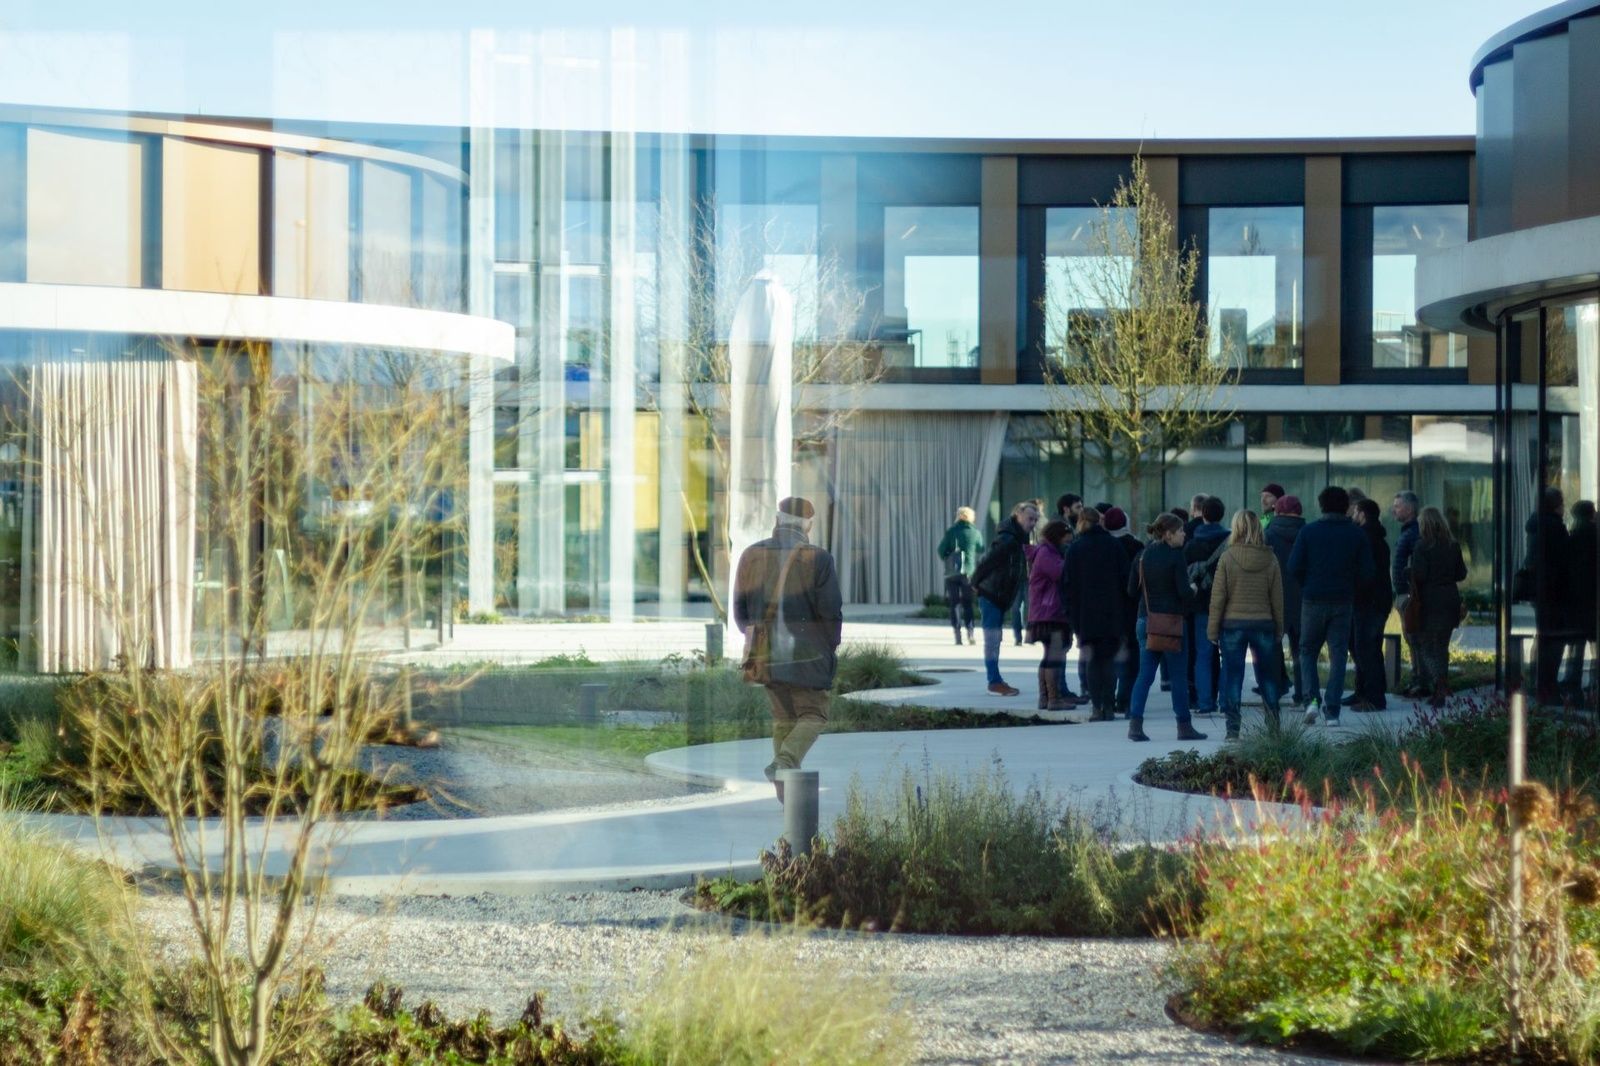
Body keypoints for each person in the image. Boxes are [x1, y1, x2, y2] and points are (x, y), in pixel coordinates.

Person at [733, 496, 843, 803]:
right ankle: (783, 764)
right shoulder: (818, 558)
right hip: (808, 653)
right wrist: (829, 647)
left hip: (767, 654)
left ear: (777, 520)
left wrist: (759, 638)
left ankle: (788, 799)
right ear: (809, 526)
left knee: (783, 719)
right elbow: (831, 611)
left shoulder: (751, 554)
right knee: (814, 714)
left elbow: (740, 612)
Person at [1288, 486, 1374, 727]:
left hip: (1313, 599)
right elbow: (1368, 572)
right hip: (1343, 601)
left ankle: (1311, 700)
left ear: (1321, 505)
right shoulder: (1356, 534)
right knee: (1338, 654)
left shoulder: (1309, 531)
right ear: (1346, 506)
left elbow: (1293, 566)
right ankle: (1333, 711)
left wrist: (1308, 584)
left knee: (1307, 651)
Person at [1125, 513, 1208, 743]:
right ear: (1169, 534)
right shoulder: (1176, 556)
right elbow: (1183, 592)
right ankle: (1184, 726)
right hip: (1171, 623)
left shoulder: (1142, 555)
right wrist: (1193, 588)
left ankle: (1135, 725)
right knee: (1178, 677)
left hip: (1146, 620)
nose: (1184, 534)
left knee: (1144, 675)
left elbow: (1131, 590)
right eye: (1180, 531)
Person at [1208, 510, 1283, 739]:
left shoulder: (1227, 557)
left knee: (1233, 677)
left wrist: (1213, 629)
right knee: (1268, 678)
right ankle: (1274, 728)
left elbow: (1218, 597)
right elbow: (1277, 598)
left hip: (1232, 625)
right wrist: (1279, 628)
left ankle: (1232, 730)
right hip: (1263, 624)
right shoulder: (1270, 558)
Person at [1066, 507, 1131, 721]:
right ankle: (1109, 706)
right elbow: (1126, 580)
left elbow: (1068, 586)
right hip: (1113, 612)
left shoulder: (1075, 548)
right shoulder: (1114, 545)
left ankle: (1096, 706)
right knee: (1109, 660)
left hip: (1085, 614)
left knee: (1092, 661)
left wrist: (1072, 616)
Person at [971, 500, 1040, 696]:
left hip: (999, 595)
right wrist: (975, 582)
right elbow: (988, 561)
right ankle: (994, 682)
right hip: (992, 593)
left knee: (996, 638)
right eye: (1029, 519)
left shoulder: (1020, 538)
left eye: (1035, 520)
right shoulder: (1008, 539)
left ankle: (996, 680)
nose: (1033, 523)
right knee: (993, 639)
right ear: (1018, 515)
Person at [1407, 506, 1468, 708]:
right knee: (1442, 646)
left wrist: (1410, 571)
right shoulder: (1453, 545)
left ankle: (1439, 685)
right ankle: (1441, 686)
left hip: (1429, 601)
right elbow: (1461, 574)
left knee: (1424, 645)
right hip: (1450, 599)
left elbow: (1420, 575)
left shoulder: (1421, 546)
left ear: (1424, 524)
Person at [1024, 519, 1079, 714]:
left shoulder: (1046, 552)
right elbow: (1060, 573)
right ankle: (1053, 698)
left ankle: (1045, 697)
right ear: (1057, 537)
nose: (1068, 544)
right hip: (1050, 613)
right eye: (1066, 540)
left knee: (1049, 655)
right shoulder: (1047, 554)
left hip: (1045, 612)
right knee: (1054, 655)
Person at [1184, 495, 1230, 718]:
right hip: (1227, 605)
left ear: (1202, 514)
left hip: (1201, 605)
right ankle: (1226, 702)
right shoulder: (1229, 542)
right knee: (1228, 654)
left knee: (1202, 655)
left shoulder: (1192, 544)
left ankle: (1205, 703)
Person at [1526, 486, 1572, 704]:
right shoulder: (1554, 527)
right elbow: (1563, 560)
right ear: (1556, 505)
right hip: (1554, 592)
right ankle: (1548, 686)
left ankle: (1538, 682)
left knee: (1544, 636)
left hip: (1540, 591)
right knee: (1554, 639)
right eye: (1562, 502)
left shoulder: (1536, 526)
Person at [1351, 497, 1393, 711]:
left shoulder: (1364, 538)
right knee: (1371, 648)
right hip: (1379, 599)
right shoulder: (1379, 538)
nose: (1353, 515)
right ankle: (1364, 693)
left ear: (1362, 514)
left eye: (1355, 512)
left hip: (1368, 601)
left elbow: (1364, 573)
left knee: (1366, 649)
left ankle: (1373, 698)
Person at [1265, 495, 1308, 706]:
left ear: (1278, 511)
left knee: (1273, 649)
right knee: (1302, 650)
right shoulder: (1308, 532)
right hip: (1303, 599)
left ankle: (1273, 693)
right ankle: (1302, 694)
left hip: (1275, 598)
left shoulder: (1268, 534)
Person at [1105, 506, 1144, 715]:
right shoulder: (1136, 546)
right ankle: (1125, 698)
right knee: (1132, 654)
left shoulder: (1104, 546)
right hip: (1131, 607)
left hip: (1108, 608)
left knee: (1112, 654)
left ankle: (1109, 698)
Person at [1563, 500, 1598, 701]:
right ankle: (1594, 684)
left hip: (1576, 598)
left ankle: (1572, 683)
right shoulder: (1594, 535)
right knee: (1595, 644)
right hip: (1593, 598)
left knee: (1576, 644)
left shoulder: (1573, 536)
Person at [1391, 490, 1424, 697]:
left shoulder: (1414, 533)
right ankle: (1417, 679)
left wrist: (1409, 590)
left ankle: (1420, 680)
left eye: (1398, 506)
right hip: (1404, 594)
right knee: (1411, 639)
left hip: (1410, 596)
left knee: (1415, 639)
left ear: (1410, 509)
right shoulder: (1407, 532)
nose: (1394, 510)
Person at [937, 506, 982, 646]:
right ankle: (970, 632)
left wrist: (948, 556)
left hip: (952, 573)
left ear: (958, 516)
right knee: (968, 604)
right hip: (968, 573)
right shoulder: (975, 532)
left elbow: (941, 550)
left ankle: (957, 635)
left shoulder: (952, 531)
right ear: (971, 517)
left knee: (954, 603)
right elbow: (981, 548)